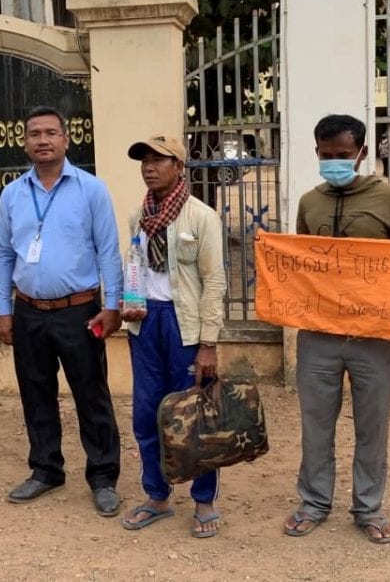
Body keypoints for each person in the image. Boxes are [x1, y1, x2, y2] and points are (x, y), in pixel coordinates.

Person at [282, 114, 390, 544]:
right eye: (327, 156)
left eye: (343, 156)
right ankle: (314, 502)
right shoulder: (310, 202)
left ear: (362, 152)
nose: (335, 163)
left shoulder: (388, 200)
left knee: (372, 425)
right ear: (316, 153)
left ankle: (369, 508)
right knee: (315, 424)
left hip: (373, 336)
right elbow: (303, 261)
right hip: (318, 336)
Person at [0, 106, 124, 517]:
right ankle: (46, 469)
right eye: (35, 134)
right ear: (26, 142)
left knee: (92, 395)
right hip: (28, 310)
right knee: (36, 395)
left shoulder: (91, 190)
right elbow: (2, 253)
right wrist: (3, 309)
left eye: (51, 132)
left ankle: (103, 477)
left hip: (78, 311)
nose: (43, 140)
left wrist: (113, 305)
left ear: (66, 139)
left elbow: (108, 249)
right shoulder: (12, 194)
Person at [117, 134, 227, 538]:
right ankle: (157, 496)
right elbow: (135, 267)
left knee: (193, 416)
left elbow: (214, 280)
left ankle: (203, 501)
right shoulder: (138, 216)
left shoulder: (201, 217)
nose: (149, 166)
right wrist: (124, 307)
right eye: (144, 159)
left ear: (179, 167)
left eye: (159, 160)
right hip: (146, 323)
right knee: (147, 415)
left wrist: (208, 343)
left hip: (185, 325)